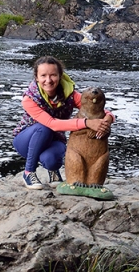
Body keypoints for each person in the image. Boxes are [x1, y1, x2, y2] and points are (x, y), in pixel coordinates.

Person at [12, 55, 114, 190]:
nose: (48, 80)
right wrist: (87, 123)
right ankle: (28, 172)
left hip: (54, 139)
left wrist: (108, 119)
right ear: (36, 77)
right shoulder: (29, 99)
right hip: (26, 139)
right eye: (43, 76)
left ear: (60, 75)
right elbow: (52, 124)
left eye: (53, 75)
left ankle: (53, 170)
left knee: (52, 160)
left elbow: (96, 108)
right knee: (43, 128)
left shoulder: (70, 95)